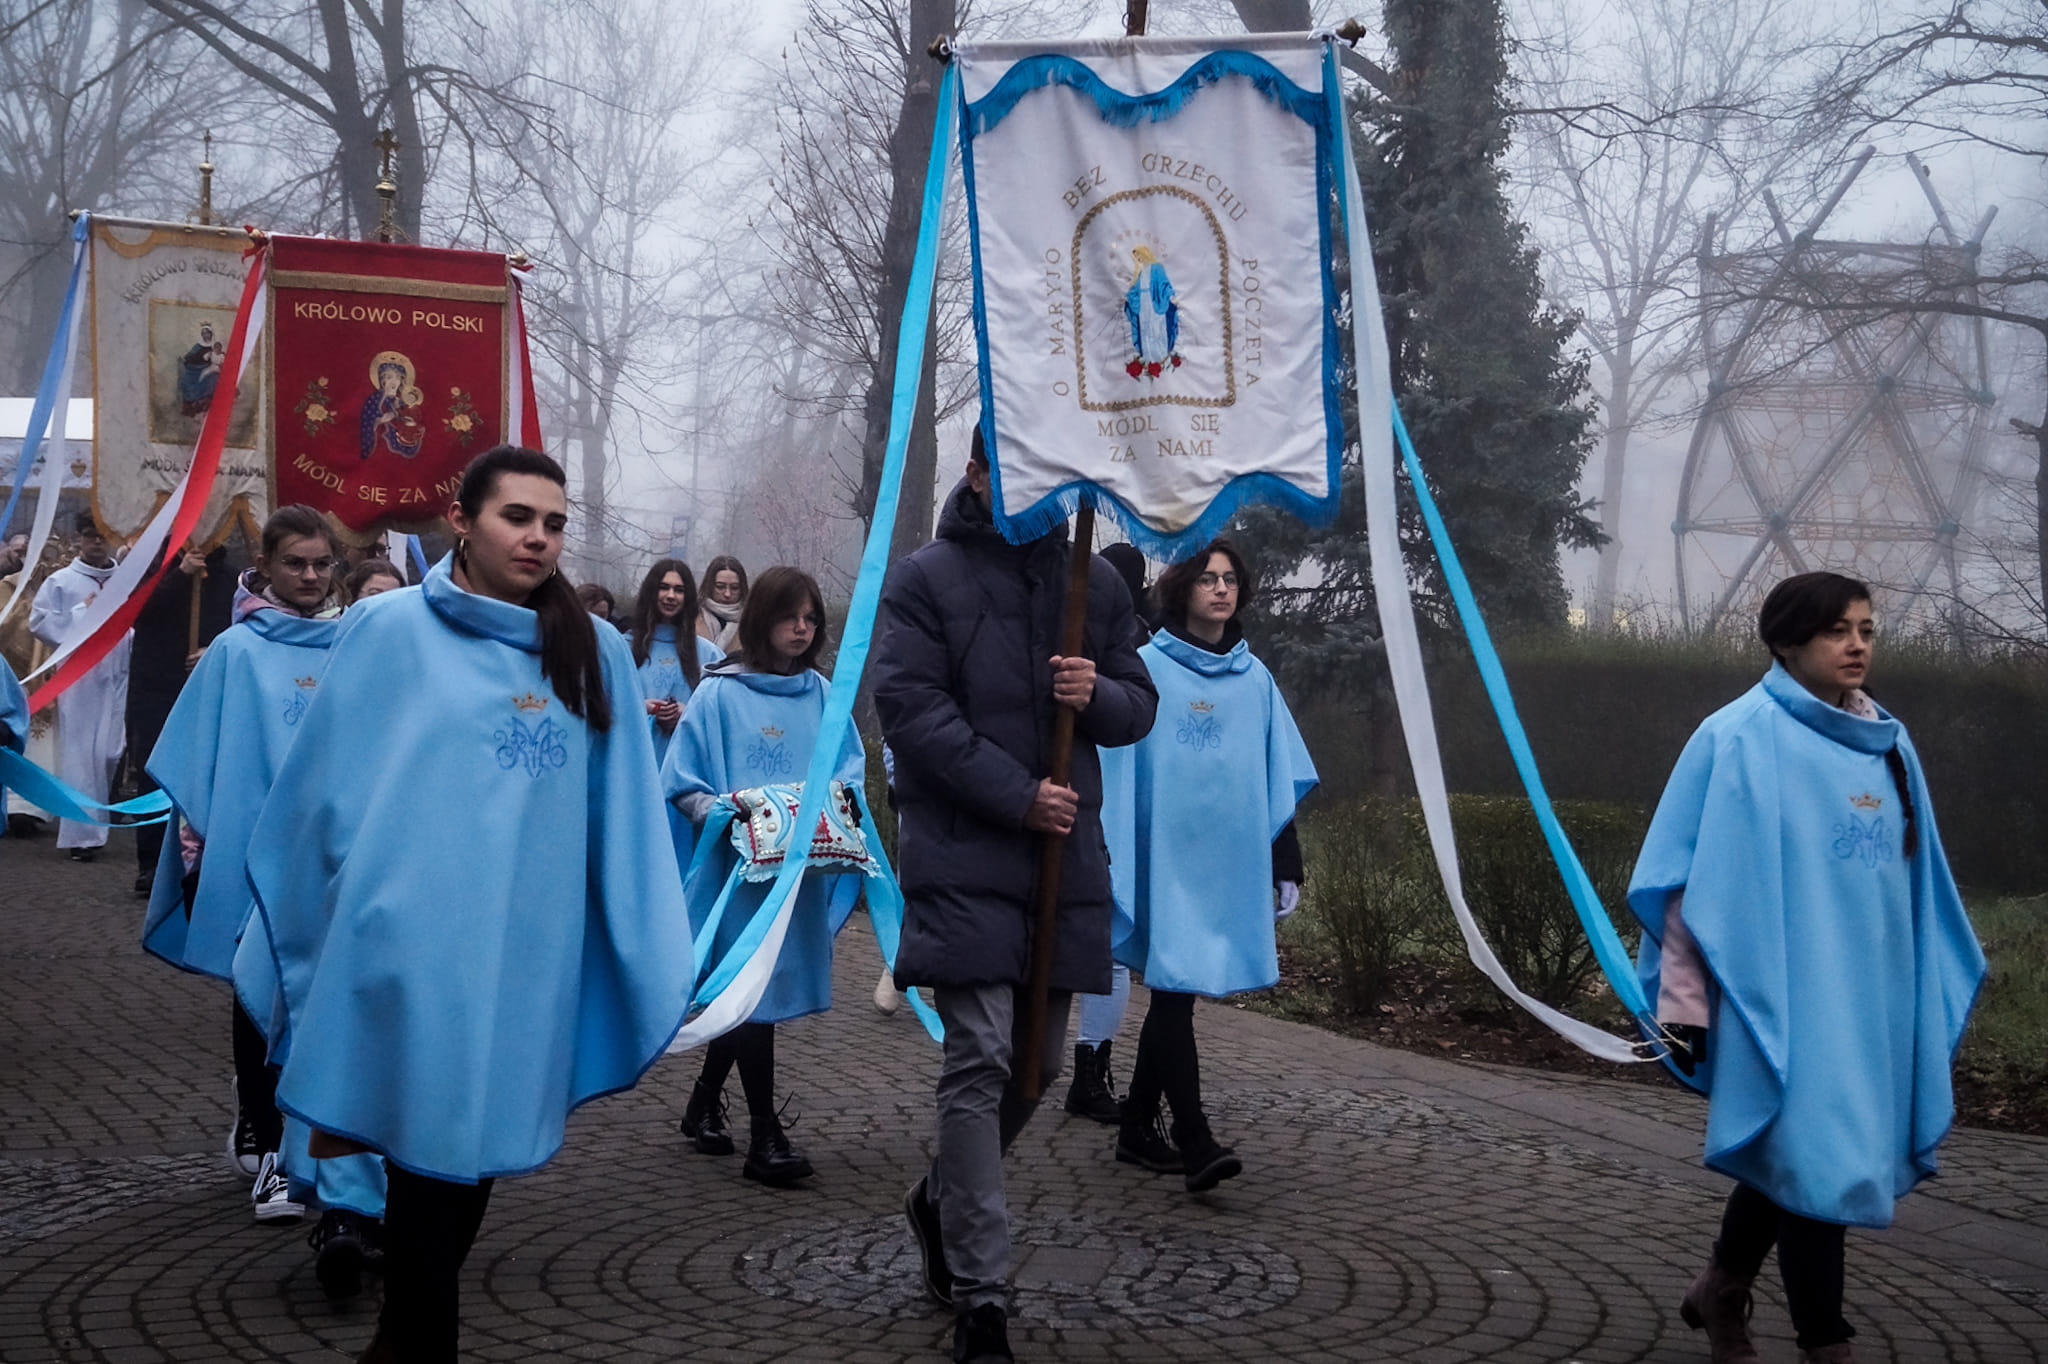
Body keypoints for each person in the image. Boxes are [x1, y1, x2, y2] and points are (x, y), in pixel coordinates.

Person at [241, 446, 694, 1364]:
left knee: (478, 1153)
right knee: (424, 1155)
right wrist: (329, 917)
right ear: (462, 519)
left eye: (554, 523)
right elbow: (322, 790)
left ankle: (401, 1340)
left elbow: (623, 816)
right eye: (517, 516)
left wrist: (642, 940)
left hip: (527, 955)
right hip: (404, 945)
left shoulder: (594, 650)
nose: (538, 537)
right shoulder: (387, 632)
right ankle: (421, 1342)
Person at [1629, 571, 1985, 1364]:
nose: (1857, 644)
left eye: (1866, 629)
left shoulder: (1890, 743)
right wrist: (1683, 1008)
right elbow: (1687, 888)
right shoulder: (1736, 738)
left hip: (1868, 1007)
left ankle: (1719, 1289)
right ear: (1787, 641)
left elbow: (1912, 882)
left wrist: (1922, 990)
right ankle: (1827, 1343)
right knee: (1817, 1169)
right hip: (1778, 1002)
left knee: (1793, 1157)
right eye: (1837, 631)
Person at [874, 429, 1157, 1363]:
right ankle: (983, 1298)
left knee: (1034, 1066)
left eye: (1052, 480)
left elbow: (1136, 700)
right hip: (964, 851)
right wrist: (1015, 793)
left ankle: (941, 1199)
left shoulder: (1098, 585)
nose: (1033, 494)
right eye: (1016, 474)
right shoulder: (926, 577)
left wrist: (1098, 693)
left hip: (1063, 863)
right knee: (983, 1056)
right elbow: (912, 712)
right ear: (978, 474)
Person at [1098, 538, 1316, 1193]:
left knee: (1179, 992)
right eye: (1207, 579)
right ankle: (1193, 1138)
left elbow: (1276, 774)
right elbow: (1118, 765)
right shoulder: (1146, 669)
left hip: (1225, 867)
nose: (1220, 589)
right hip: (1165, 863)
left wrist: (1286, 863)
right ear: (1182, 588)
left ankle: (1137, 1125)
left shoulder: (1257, 681)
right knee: (1173, 992)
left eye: (1230, 579)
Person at [662, 565, 876, 1186]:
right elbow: (682, 781)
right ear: (763, 619)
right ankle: (765, 1136)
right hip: (739, 876)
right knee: (751, 992)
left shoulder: (820, 695)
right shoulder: (719, 693)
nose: (802, 629)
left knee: (758, 993)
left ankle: (704, 1101)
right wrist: (730, 814)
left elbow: (850, 771)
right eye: (790, 616)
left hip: (798, 874)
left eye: (811, 619)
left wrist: (832, 811)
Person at [1064, 542, 1153, 1123]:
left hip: (1091, 814)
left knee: (1109, 955)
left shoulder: (1133, 664)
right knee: (1108, 955)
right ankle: (1087, 1070)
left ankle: (1087, 1069)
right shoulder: (1126, 660)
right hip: (1088, 815)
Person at [125, 543, 235, 898]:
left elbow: (243, 624)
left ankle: (200, 860)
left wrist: (213, 648)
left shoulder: (232, 576)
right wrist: (179, 575)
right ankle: (152, 862)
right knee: (154, 773)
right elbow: (134, 614)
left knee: (206, 774)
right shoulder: (155, 569)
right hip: (156, 687)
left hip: (206, 686)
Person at [28, 513, 132, 861]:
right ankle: (82, 836)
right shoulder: (62, 581)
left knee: (110, 753)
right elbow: (39, 622)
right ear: (79, 540)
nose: (98, 543)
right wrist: (80, 613)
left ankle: (98, 816)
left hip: (119, 672)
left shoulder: (127, 578)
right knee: (79, 755)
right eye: (90, 536)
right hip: (80, 676)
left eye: (103, 536)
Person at [627, 559, 720, 766]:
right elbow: (605, 705)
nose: (671, 596)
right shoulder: (623, 648)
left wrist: (687, 713)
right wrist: (643, 709)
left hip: (687, 766)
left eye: (679, 590)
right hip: (636, 764)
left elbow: (723, 713)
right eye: (663, 588)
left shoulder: (709, 654)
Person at [697, 555, 746, 653]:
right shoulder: (691, 617)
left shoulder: (750, 623)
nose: (727, 594)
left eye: (734, 588)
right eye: (720, 587)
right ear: (709, 585)